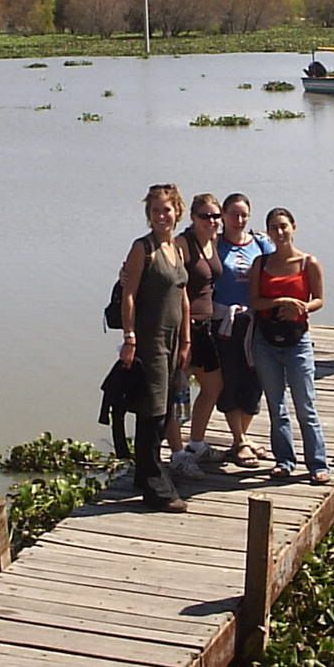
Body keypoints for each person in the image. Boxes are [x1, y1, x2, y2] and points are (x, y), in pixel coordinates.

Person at [119, 184, 192, 513]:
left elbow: (183, 296)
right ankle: (155, 486)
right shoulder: (143, 248)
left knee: (165, 409)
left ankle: (144, 473)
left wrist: (186, 340)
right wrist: (130, 337)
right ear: (148, 215)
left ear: (178, 211)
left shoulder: (177, 248)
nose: (161, 216)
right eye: (155, 210)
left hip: (173, 342)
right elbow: (129, 295)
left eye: (167, 209)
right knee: (153, 412)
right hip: (150, 342)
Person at [249, 207, 330, 484]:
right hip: (266, 341)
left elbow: (319, 299)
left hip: (298, 342)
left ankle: (317, 463)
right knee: (276, 406)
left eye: (284, 226)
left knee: (305, 405)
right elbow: (254, 301)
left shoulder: (308, 263)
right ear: (268, 231)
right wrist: (279, 302)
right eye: (274, 227)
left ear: (294, 227)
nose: (280, 232)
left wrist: (301, 307)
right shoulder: (260, 264)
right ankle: (284, 461)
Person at [167, 193, 228, 479]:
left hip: (206, 327)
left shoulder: (212, 241)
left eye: (216, 216)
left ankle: (196, 443)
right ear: (192, 217)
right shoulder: (182, 245)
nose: (211, 221)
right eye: (205, 216)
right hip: (184, 328)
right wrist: (184, 338)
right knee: (175, 395)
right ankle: (177, 454)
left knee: (213, 385)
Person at [213, 193, 274, 467]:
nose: (239, 220)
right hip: (225, 325)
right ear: (223, 216)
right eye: (233, 214)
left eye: (243, 215)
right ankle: (239, 441)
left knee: (254, 380)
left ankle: (243, 438)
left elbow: (281, 266)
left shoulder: (261, 244)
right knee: (230, 380)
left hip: (256, 322)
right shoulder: (213, 244)